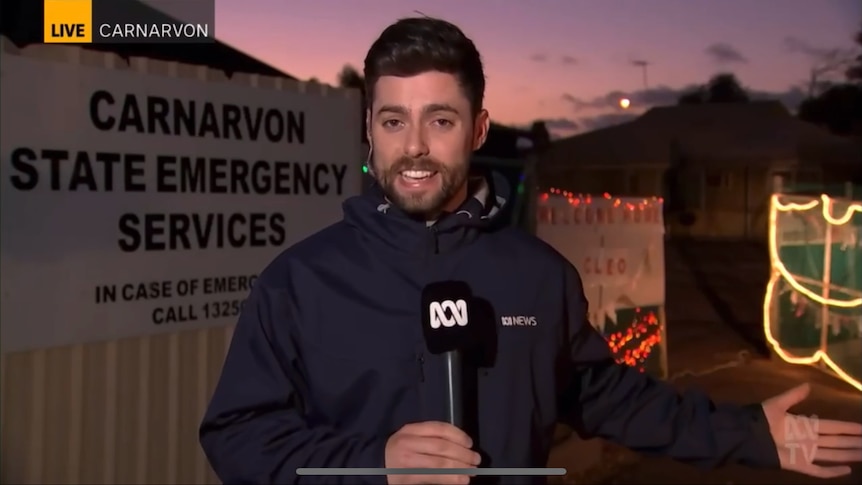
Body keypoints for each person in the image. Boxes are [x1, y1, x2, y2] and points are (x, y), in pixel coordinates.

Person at [199, 16, 862, 485]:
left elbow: (606, 395)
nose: (415, 146)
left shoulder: (539, 276)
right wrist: (373, 466)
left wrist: (743, 433)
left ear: (478, 127)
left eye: (442, 119)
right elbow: (237, 437)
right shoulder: (302, 279)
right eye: (393, 119)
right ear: (369, 130)